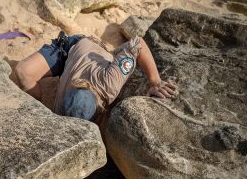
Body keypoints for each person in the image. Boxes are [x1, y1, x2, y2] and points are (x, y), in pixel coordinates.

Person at [15, 31, 177, 131]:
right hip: (71, 53)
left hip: (82, 53)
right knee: (23, 73)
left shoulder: (107, 84)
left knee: (116, 54)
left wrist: (155, 81)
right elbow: (138, 42)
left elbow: (138, 43)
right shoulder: (61, 109)